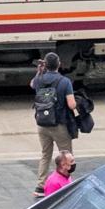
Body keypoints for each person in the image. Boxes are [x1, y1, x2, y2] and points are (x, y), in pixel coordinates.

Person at [30, 52, 77, 197]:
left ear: (45, 65)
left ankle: (40, 187)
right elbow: (71, 104)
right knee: (66, 155)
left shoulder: (39, 80)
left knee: (45, 154)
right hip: (59, 125)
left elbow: (31, 84)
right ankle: (67, 183)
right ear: (59, 64)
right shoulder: (64, 81)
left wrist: (40, 71)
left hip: (42, 124)